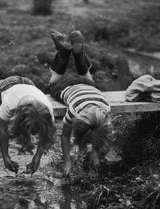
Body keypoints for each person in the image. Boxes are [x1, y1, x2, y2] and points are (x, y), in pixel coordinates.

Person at [48, 30, 112, 177]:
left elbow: (101, 134)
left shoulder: (105, 110)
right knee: (51, 84)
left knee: (87, 78)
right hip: (66, 85)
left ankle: (77, 54)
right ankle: (64, 53)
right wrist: (68, 163)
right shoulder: (73, 113)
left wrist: (92, 156)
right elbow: (65, 136)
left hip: (91, 86)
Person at [0, 76, 56, 175]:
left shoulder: (47, 111)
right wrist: (5, 156)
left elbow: (46, 134)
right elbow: (3, 129)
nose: (34, 133)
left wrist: (37, 156)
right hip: (7, 85)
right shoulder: (10, 104)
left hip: (29, 84)